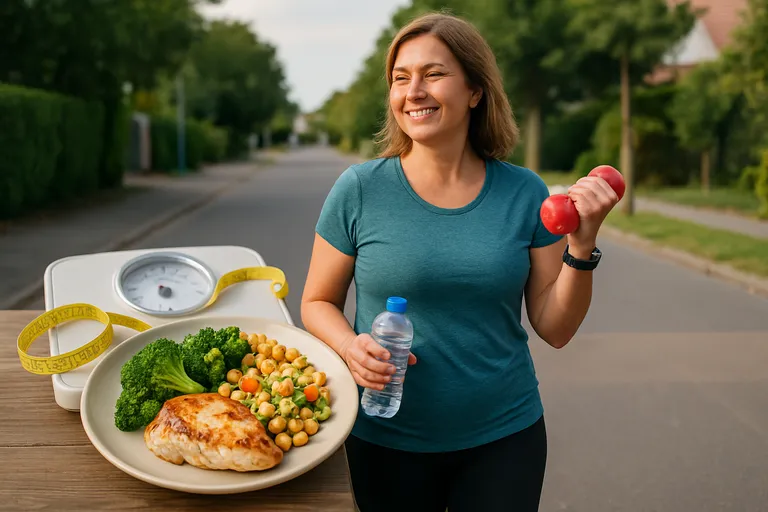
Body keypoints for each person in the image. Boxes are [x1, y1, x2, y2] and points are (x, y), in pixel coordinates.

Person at [301, 11, 619, 512]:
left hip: (503, 437)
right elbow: (317, 300)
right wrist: (349, 346)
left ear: (475, 90)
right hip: (385, 438)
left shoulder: (524, 193)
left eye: (434, 73)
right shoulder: (359, 189)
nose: (414, 90)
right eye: (401, 78)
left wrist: (582, 247)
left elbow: (555, 328)